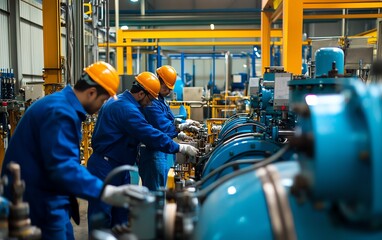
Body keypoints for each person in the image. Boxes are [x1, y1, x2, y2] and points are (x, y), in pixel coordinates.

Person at [0, 61, 120, 240]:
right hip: (39, 202)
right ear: (92, 93)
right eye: (102, 101)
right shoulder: (60, 112)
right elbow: (62, 168)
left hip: (49, 196)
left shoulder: (62, 105)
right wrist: (106, 192)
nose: (100, 107)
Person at [86, 71, 198, 231]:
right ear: (140, 93)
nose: (150, 104)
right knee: (101, 217)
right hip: (105, 167)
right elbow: (149, 134)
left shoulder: (120, 100)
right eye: (150, 99)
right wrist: (180, 147)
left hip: (118, 165)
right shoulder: (127, 109)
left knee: (121, 216)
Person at [139, 65, 201, 191]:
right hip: (152, 152)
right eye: (166, 88)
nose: (168, 92)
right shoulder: (151, 102)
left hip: (161, 149)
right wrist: (182, 129)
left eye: (169, 89)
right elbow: (163, 126)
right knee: (155, 191)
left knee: (161, 186)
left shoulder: (160, 99)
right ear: (158, 80)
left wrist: (181, 130)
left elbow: (169, 119)